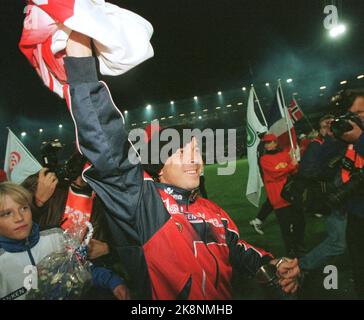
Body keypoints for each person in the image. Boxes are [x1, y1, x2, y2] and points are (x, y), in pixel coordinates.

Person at [59, 31, 301, 300]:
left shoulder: (214, 212)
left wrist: (273, 266)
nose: (195, 160)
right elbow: (104, 139)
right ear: (159, 166)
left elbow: (238, 249)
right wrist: (79, 45)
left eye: (197, 151)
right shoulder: (143, 204)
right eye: (181, 152)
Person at [0, 182, 129, 300]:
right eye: (6, 213)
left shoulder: (55, 236)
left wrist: (112, 281)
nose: (19, 217)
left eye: (23, 208)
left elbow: (81, 270)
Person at [21, 153, 113, 262]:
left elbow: (128, 243)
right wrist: (37, 202)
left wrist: (108, 249)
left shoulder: (107, 200)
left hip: (81, 272)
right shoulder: (47, 184)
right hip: (36, 264)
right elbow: (12, 221)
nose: (81, 178)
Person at [298, 114, 347, 271]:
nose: (330, 128)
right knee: (337, 242)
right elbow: (306, 171)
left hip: (346, 196)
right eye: (326, 125)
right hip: (333, 197)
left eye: (332, 124)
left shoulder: (342, 142)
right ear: (320, 128)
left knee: (345, 237)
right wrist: (329, 172)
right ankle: (302, 267)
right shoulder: (317, 144)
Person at [259, 133, 305, 257]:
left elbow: (294, 171)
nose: (267, 145)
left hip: (292, 195)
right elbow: (276, 173)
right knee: (286, 228)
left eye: (269, 142)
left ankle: (299, 247)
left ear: (275, 142)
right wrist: (291, 166)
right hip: (278, 198)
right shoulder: (264, 159)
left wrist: (296, 162)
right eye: (265, 143)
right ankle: (290, 251)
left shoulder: (285, 154)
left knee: (299, 223)